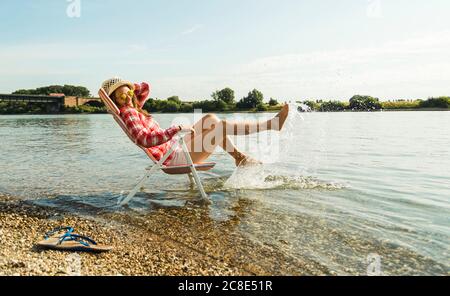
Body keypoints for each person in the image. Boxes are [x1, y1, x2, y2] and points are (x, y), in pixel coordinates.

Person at [101, 77, 289, 167]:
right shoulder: (129, 113)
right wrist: (176, 129)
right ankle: (271, 125)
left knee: (211, 119)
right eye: (120, 96)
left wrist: (129, 88)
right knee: (220, 126)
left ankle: (240, 158)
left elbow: (145, 88)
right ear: (115, 100)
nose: (126, 97)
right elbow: (143, 139)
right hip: (173, 158)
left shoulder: (134, 108)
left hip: (175, 149)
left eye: (128, 93)